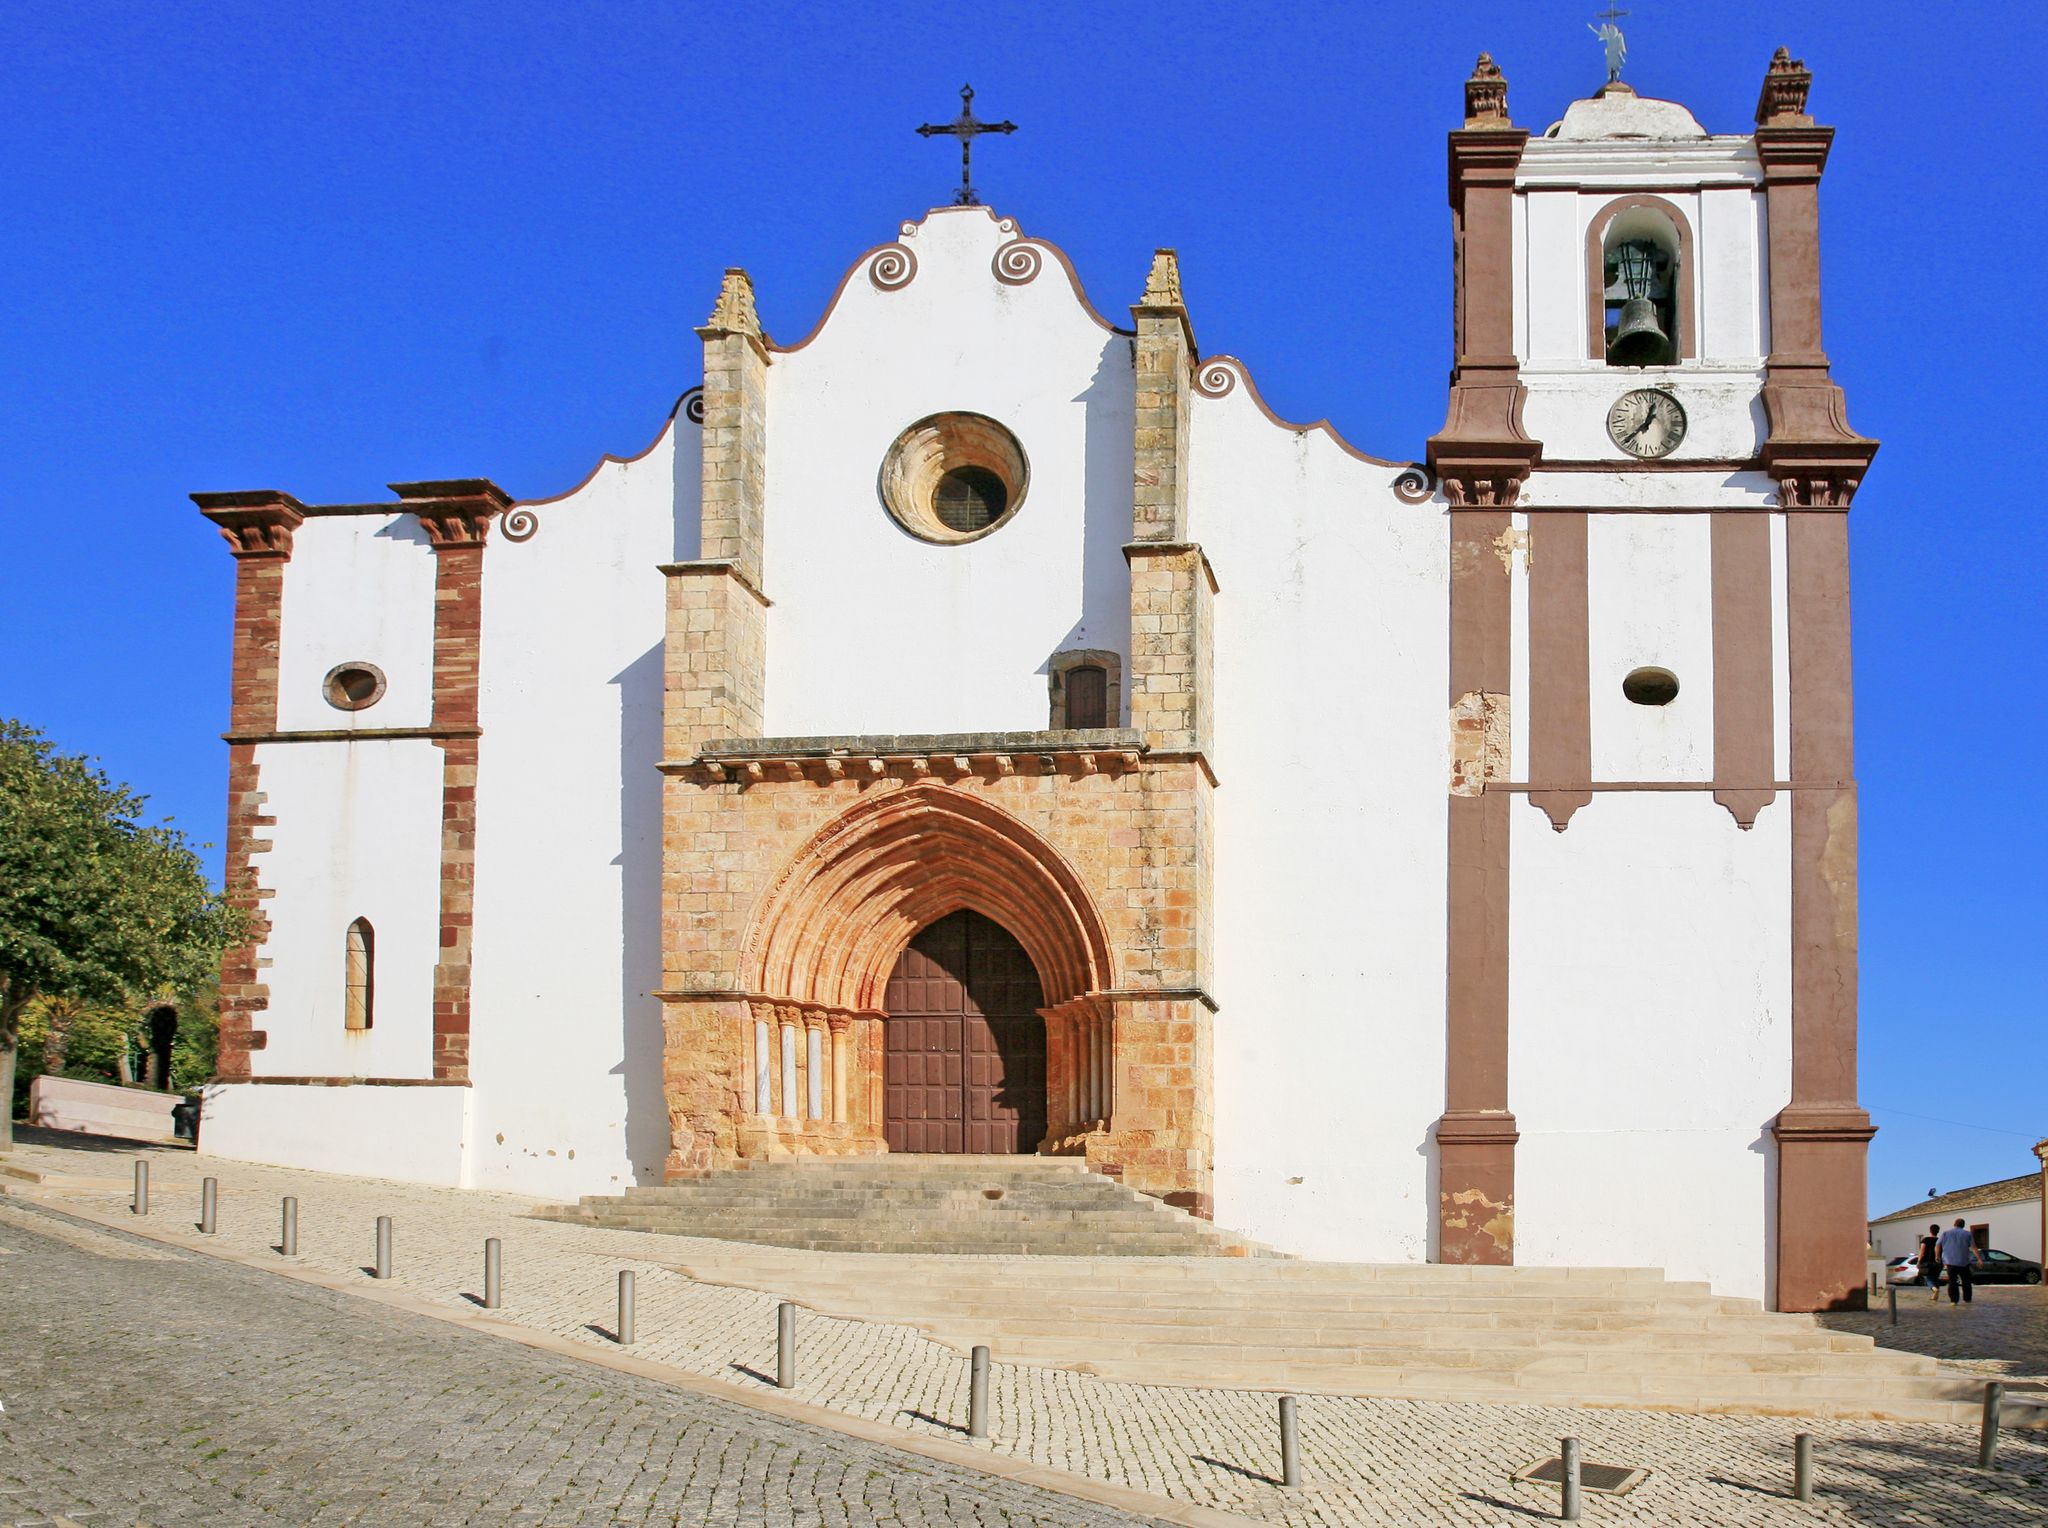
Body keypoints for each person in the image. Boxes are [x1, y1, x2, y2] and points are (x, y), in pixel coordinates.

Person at [1937, 1217, 1981, 1305]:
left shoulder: (1945, 1233)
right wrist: (1979, 1259)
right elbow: (1973, 1247)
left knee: (1952, 1282)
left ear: (1954, 1224)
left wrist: (1937, 1256)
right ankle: (1967, 1299)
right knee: (1966, 1281)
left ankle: (1954, 1300)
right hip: (1963, 1262)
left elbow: (1938, 1245)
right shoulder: (1968, 1234)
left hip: (1950, 1262)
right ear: (1963, 1225)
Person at [1917, 1222, 1944, 1302]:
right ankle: (1935, 1296)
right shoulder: (1940, 1241)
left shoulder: (1925, 1240)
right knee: (1936, 1278)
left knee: (1928, 1279)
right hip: (1938, 1263)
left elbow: (1922, 1251)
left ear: (1930, 1231)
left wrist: (1919, 1261)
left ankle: (1934, 1289)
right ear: (1938, 1231)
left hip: (1927, 1263)